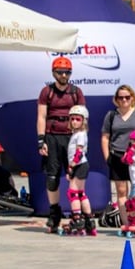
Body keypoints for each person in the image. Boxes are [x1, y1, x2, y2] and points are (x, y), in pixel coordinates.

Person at [37, 56, 86, 232]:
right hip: (52, 136)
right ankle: (54, 213)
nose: (64, 75)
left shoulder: (76, 92)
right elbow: (41, 116)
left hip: (71, 138)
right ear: (54, 73)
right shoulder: (46, 92)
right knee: (52, 178)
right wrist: (41, 140)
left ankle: (78, 215)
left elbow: (83, 117)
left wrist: (82, 141)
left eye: (67, 72)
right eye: (60, 72)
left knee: (75, 176)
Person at [101, 84, 135, 235]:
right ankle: (127, 224)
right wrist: (108, 157)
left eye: (127, 97)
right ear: (116, 99)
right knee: (121, 191)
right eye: (121, 97)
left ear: (132, 98)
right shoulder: (111, 115)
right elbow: (105, 137)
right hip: (118, 155)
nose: (124, 100)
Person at [61, 106, 96, 235]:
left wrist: (71, 166)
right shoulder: (76, 134)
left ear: (83, 121)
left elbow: (79, 152)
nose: (75, 121)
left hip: (79, 165)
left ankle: (77, 220)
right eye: (72, 119)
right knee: (81, 193)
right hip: (81, 165)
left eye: (78, 119)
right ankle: (89, 221)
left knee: (73, 193)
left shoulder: (81, 135)